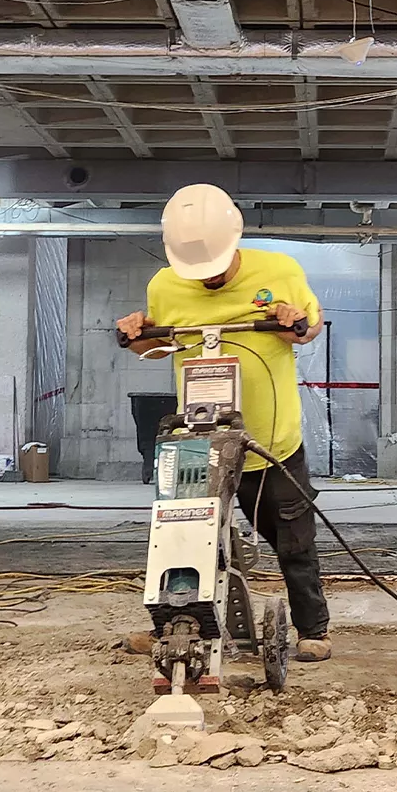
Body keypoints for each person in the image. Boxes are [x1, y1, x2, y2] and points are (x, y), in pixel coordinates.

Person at [116, 183, 332, 663]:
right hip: (200, 438)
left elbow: (310, 327)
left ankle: (312, 629)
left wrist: (293, 320)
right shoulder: (164, 284)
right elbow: (158, 347)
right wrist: (136, 339)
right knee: (182, 533)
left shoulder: (279, 271)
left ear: (235, 241)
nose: (208, 280)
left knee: (293, 539)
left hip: (270, 439)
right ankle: (176, 626)